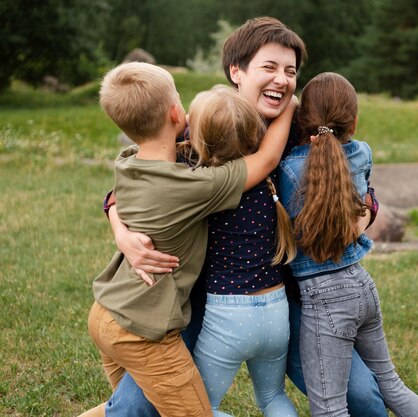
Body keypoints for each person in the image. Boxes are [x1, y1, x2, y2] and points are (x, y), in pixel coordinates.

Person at [101, 17, 389, 417]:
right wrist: (120, 230)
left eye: (290, 71)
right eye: (269, 67)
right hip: (200, 297)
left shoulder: (306, 131)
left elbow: (359, 183)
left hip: (287, 298)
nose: (282, 80)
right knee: (133, 409)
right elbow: (133, 185)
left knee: (363, 397)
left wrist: (367, 211)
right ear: (236, 72)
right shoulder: (202, 125)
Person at [84, 62, 295, 417]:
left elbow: (114, 197)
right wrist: (289, 102)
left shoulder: (129, 160)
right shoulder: (195, 187)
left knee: (124, 411)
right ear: (173, 113)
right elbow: (267, 158)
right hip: (144, 331)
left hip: (105, 312)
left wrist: (119, 229)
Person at [278, 72, 418, 417]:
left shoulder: (288, 170)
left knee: (329, 408)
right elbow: (359, 195)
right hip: (362, 285)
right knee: (392, 385)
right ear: (354, 121)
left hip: (324, 297)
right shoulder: (362, 153)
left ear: (301, 121)